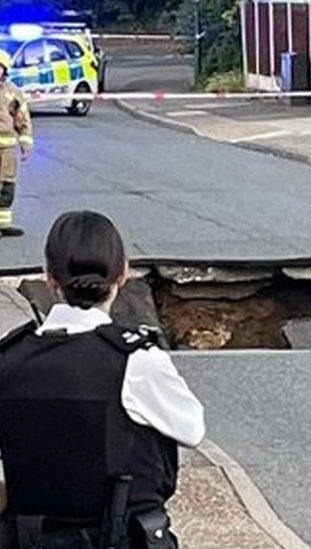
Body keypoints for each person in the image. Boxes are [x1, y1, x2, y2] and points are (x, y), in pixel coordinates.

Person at [0, 211, 205, 548]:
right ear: (123, 273)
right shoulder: (136, 360)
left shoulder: (8, 358)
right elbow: (192, 429)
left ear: (49, 276)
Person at [0, 50, 32, 238]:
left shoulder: (12, 93)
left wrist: (25, 142)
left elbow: (22, 118)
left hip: (8, 150)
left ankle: (3, 225)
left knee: (6, 186)